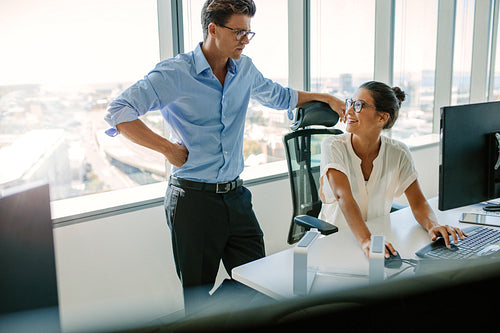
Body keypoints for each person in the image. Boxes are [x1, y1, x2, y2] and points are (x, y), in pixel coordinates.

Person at [104, 0, 344, 314]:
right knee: (198, 296)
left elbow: (280, 96)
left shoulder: (244, 69)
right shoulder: (175, 73)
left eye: (249, 33)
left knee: (261, 280)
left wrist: (325, 97)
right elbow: (118, 112)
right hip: (193, 200)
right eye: (239, 32)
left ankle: (211, 318)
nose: (245, 39)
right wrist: (167, 149)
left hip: (236, 197)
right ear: (213, 29)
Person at [318, 81, 467, 259]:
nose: (348, 110)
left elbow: (418, 202)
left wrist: (432, 226)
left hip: (377, 240)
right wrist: (366, 239)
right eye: (350, 102)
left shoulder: (399, 152)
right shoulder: (333, 146)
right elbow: (343, 196)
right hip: (336, 241)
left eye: (358, 105)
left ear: (382, 118)